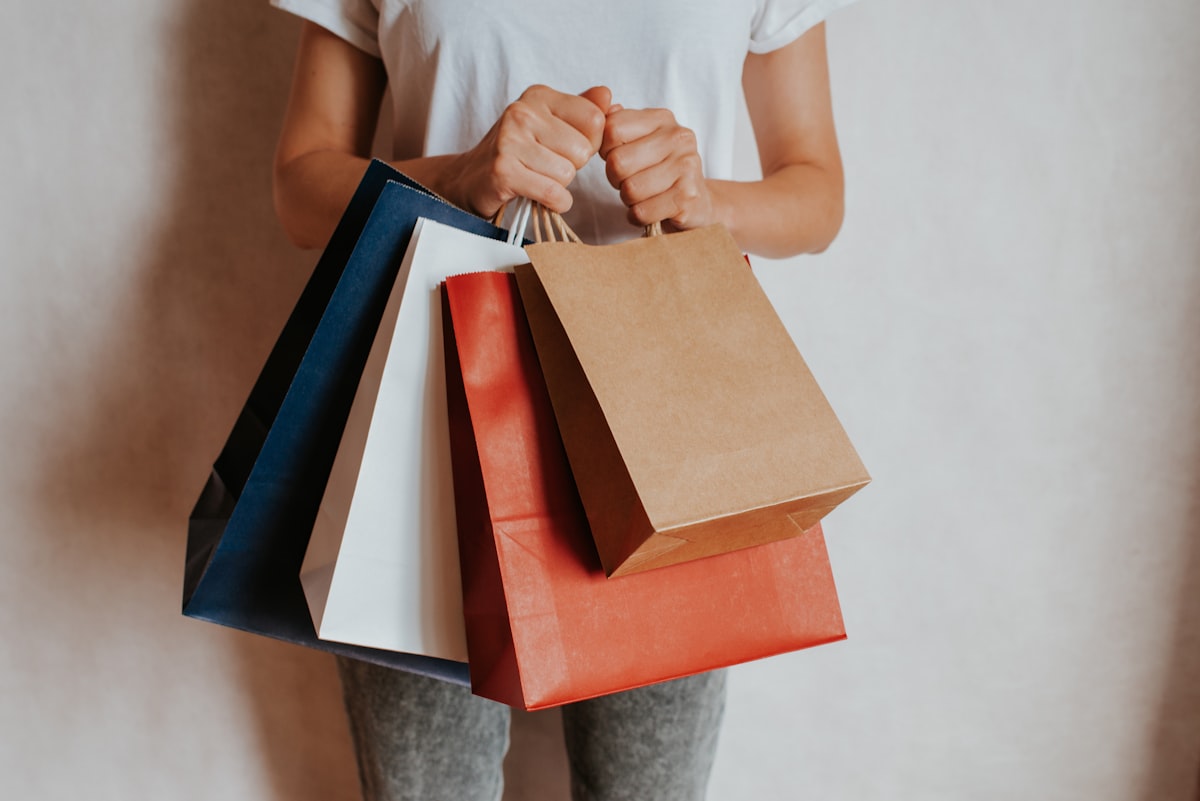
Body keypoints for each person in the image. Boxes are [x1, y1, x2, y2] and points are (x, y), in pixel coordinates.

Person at [268, 2, 854, 799]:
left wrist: (704, 198)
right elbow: (301, 188)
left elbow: (816, 193)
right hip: (431, 412)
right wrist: (459, 172)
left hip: (677, 410)